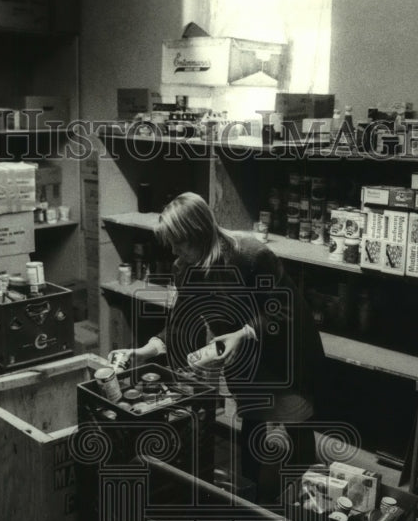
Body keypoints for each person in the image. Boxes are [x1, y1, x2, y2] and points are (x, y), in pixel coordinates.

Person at [108, 192, 326, 504]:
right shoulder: (185, 269)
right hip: (245, 359)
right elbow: (180, 324)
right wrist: (145, 351)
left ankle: (306, 504)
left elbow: (284, 310)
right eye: (170, 243)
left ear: (199, 232)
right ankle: (253, 504)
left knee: (296, 423)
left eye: (179, 242)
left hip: (284, 353)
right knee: (253, 423)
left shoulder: (251, 255)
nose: (174, 251)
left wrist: (244, 332)